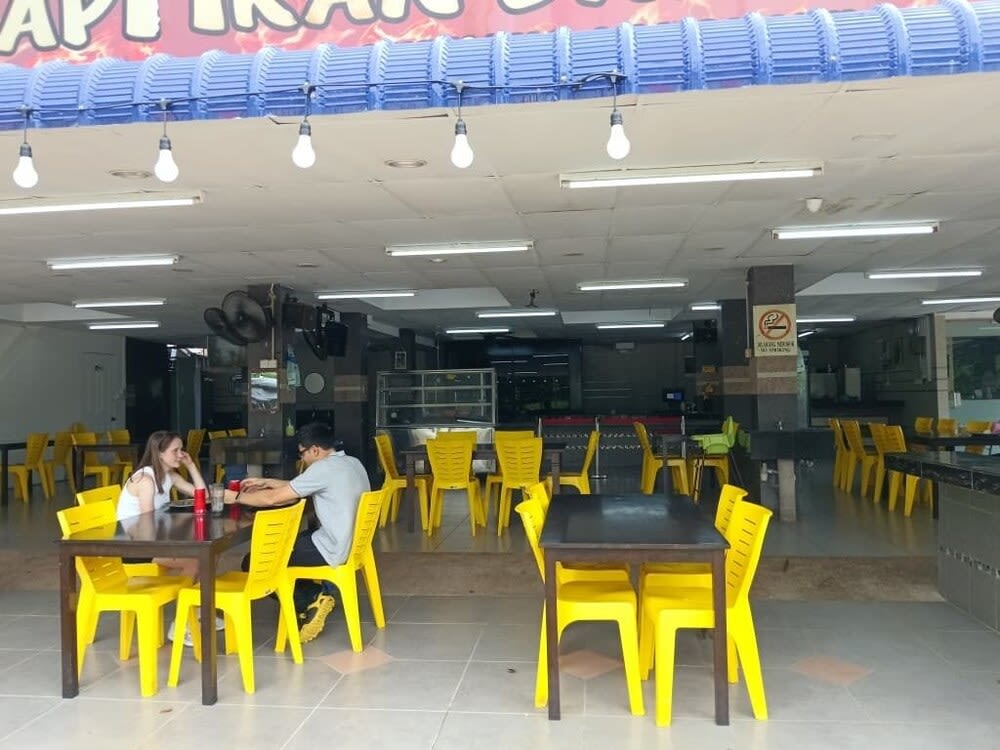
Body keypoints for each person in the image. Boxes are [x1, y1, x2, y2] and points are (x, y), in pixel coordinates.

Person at [235, 422, 370, 643]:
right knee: (290, 544)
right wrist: (266, 482)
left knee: (254, 561)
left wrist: (234, 497)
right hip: (353, 543)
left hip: (331, 547)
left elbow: (272, 499)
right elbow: (304, 485)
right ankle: (311, 594)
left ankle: (312, 597)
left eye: (302, 454)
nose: (302, 459)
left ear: (314, 450)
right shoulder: (351, 463)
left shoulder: (322, 469)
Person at [117, 430, 223, 644]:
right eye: (175, 451)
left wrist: (191, 466)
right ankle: (181, 624)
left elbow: (202, 496)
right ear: (159, 453)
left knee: (212, 554)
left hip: (153, 541)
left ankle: (197, 610)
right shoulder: (145, 480)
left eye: (181, 449)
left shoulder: (168, 476)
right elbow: (148, 522)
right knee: (195, 561)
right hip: (136, 547)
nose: (180, 454)